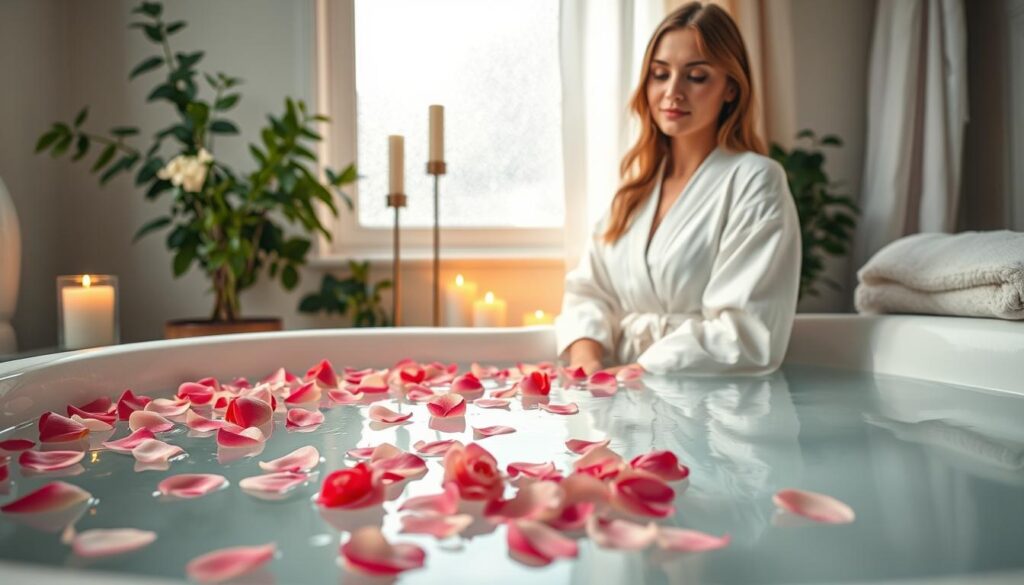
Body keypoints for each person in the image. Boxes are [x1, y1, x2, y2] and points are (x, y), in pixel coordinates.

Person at [555, 2, 801, 376]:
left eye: (696, 76)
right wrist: (586, 361)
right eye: (660, 74)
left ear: (731, 88)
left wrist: (638, 371)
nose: (673, 91)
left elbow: (747, 334)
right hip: (619, 392)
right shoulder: (636, 189)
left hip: (705, 395)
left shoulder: (755, 180)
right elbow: (589, 292)